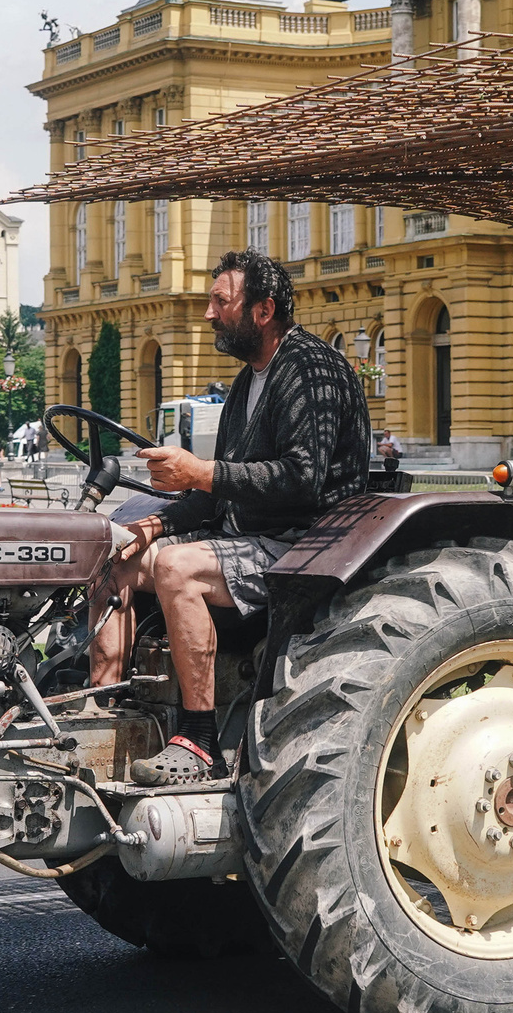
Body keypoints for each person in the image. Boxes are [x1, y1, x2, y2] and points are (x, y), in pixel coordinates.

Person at [88, 249, 368, 784]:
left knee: (176, 568)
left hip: (304, 547)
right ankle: (103, 714)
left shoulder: (312, 368)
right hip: (250, 537)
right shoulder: (248, 380)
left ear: (263, 310)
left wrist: (199, 472)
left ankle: (200, 742)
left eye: (221, 301)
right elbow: (219, 491)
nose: (208, 314)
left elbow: (301, 479)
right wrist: (154, 525)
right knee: (113, 554)